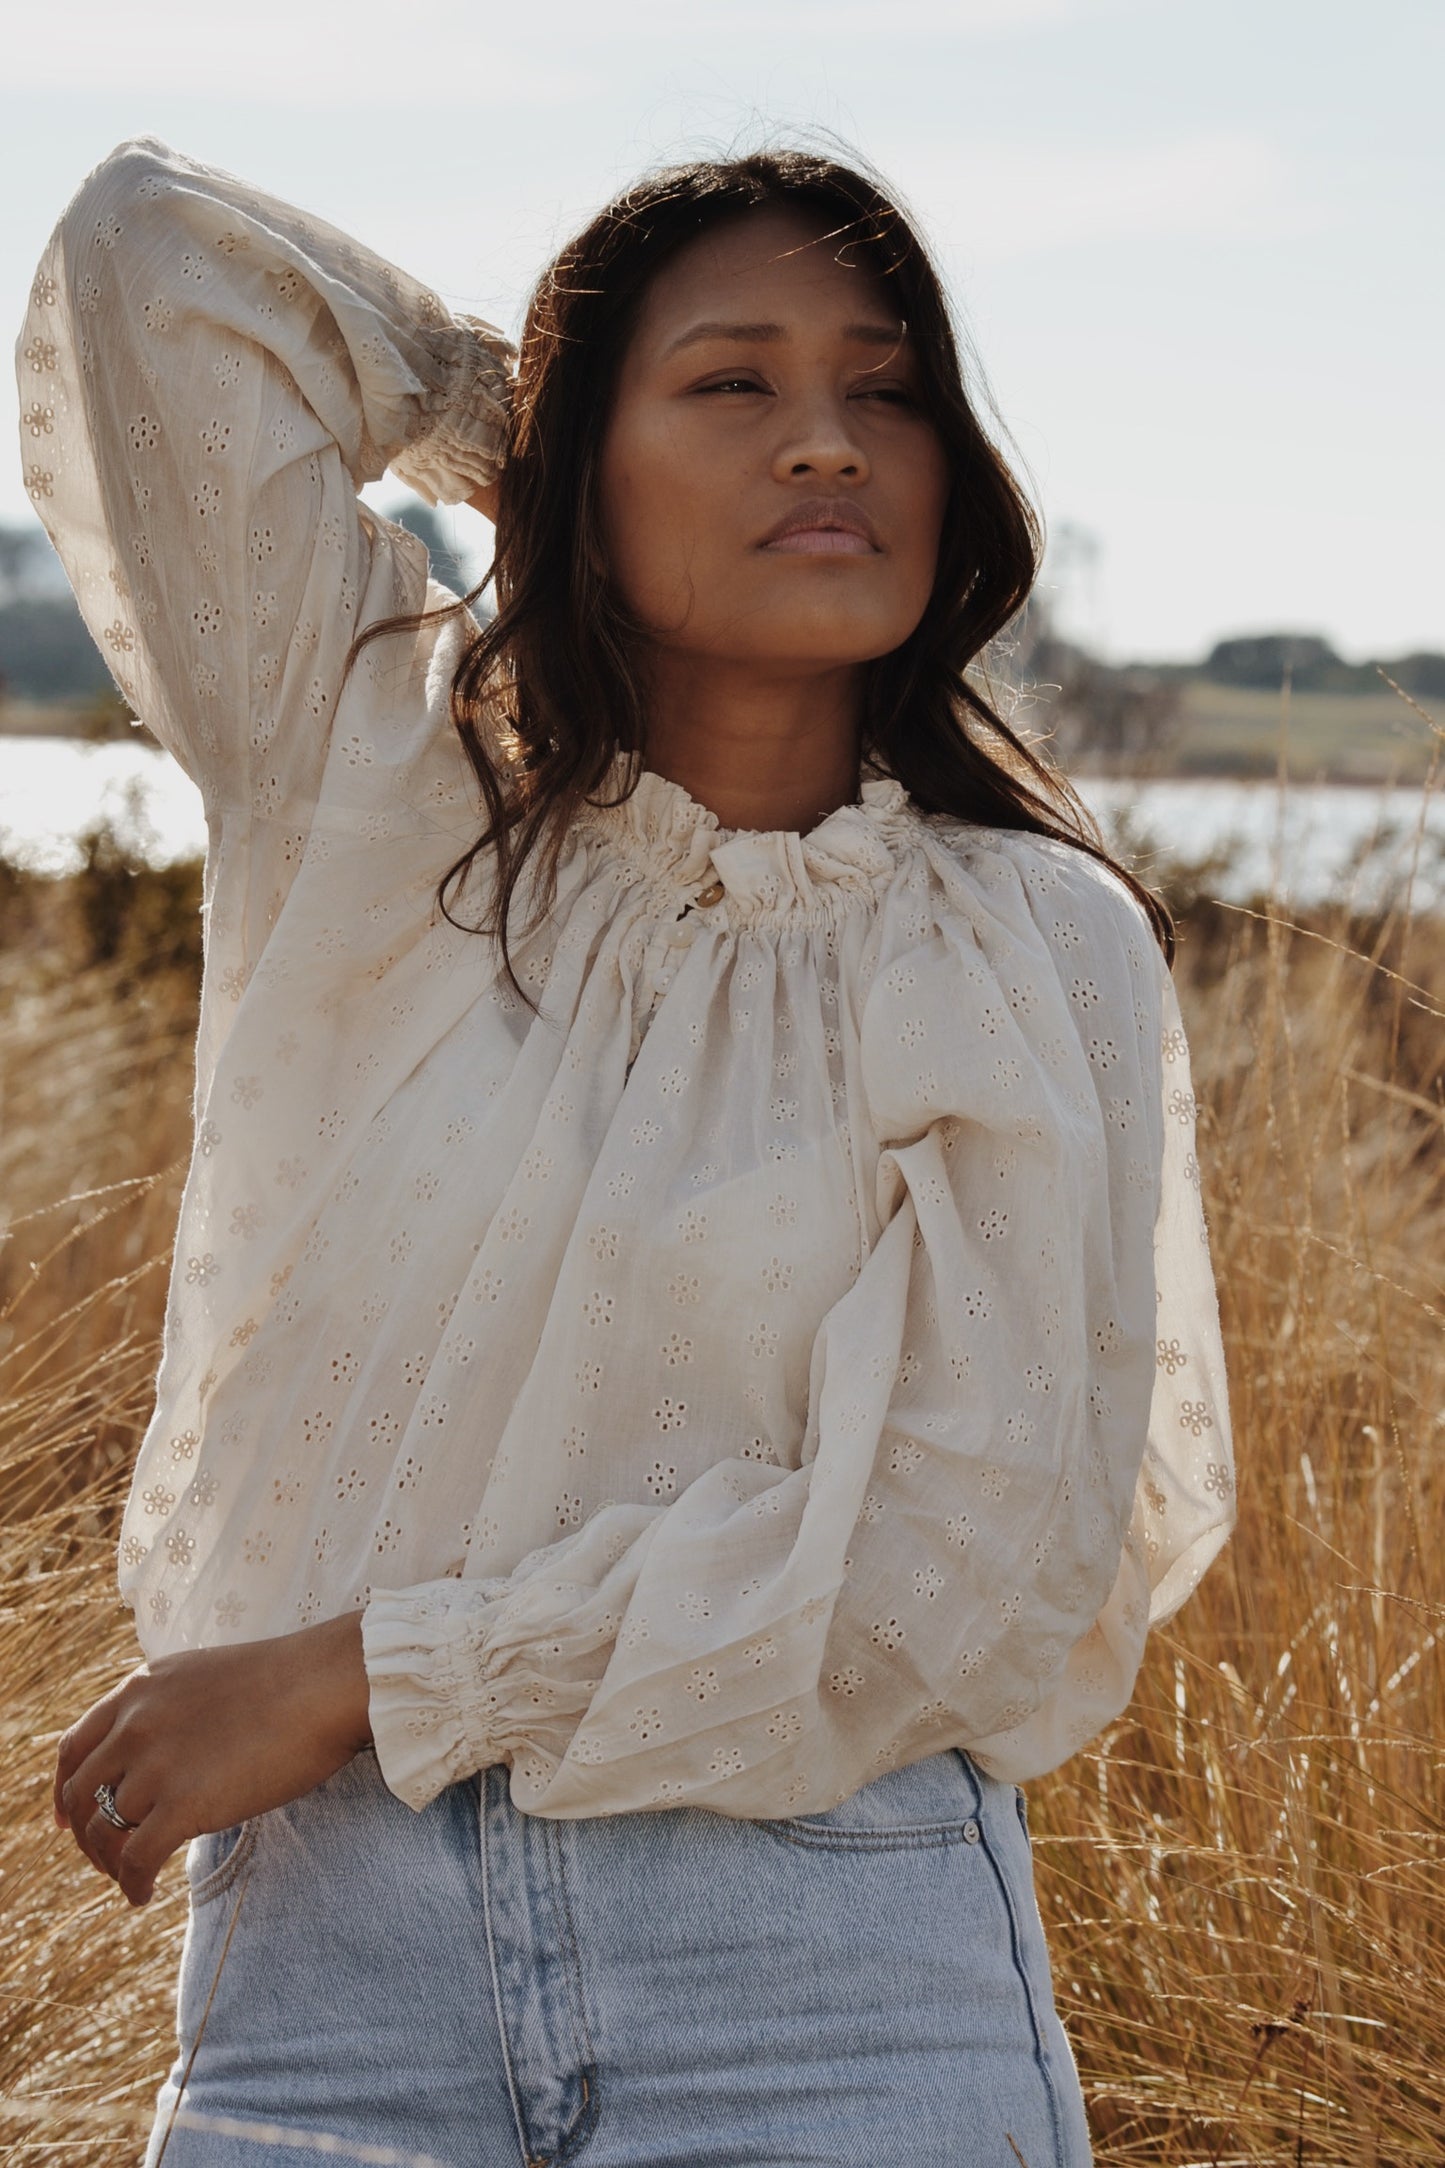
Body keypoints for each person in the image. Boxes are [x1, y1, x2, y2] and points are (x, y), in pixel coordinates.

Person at [22, 133, 1234, 2168]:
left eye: (887, 390)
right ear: (577, 467)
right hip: (331, 1984)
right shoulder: (378, 801)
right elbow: (153, 265)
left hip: (826, 1977)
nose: (829, 444)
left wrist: (368, 1672)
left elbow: (963, 1567)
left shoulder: (1033, 945)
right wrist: (527, 416)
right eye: (735, 385)